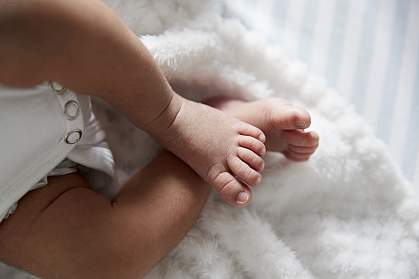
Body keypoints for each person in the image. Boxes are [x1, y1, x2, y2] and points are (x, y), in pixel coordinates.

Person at [0, 0, 319, 278]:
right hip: (15, 197)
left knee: (31, 20)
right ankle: (224, 128)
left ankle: (173, 115)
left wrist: (169, 114)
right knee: (104, 259)